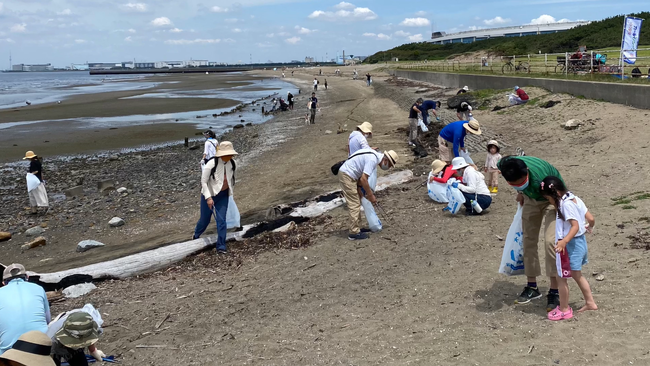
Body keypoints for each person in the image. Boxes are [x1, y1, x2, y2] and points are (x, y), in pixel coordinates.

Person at [498, 156, 564, 310]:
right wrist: (522, 192)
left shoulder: (541, 176)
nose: (519, 185)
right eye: (514, 185)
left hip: (552, 200)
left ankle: (555, 290)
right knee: (527, 240)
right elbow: (518, 183)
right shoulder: (504, 165)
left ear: (527, 171)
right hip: (531, 199)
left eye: (522, 182)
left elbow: (562, 195)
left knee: (551, 242)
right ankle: (532, 286)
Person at [539, 176, 597, 321]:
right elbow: (590, 218)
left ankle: (564, 309)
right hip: (580, 242)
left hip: (569, 245)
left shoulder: (565, 205)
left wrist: (564, 241)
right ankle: (590, 302)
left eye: (548, 198)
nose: (549, 201)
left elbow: (575, 225)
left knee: (561, 277)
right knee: (577, 274)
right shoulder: (574, 198)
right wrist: (590, 227)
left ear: (555, 194)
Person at [339, 149, 398, 240]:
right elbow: (364, 179)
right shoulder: (373, 159)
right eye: (390, 165)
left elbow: (360, 173)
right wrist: (371, 195)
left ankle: (357, 228)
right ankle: (354, 233)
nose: (388, 167)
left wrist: (359, 188)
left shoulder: (373, 156)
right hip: (347, 175)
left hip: (351, 174)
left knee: (357, 200)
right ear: (385, 160)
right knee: (354, 204)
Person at [192, 141, 238, 254]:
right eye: (228, 154)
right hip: (209, 195)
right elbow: (203, 182)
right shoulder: (211, 164)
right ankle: (196, 235)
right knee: (205, 220)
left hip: (223, 196)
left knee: (221, 220)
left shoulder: (233, 163)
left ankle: (221, 246)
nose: (230, 156)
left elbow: (231, 179)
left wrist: (229, 193)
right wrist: (208, 198)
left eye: (231, 154)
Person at [0, 264, 51, 355]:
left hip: (10, 350)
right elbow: (48, 320)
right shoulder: (38, 288)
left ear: (3, 283)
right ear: (27, 277)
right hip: (41, 345)